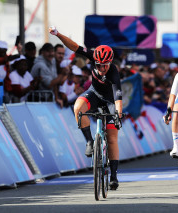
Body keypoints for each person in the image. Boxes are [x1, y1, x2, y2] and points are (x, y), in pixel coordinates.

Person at [49, 26, 123, 190]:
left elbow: (118, 97)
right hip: (94, 93)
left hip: (110, 101)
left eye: (105, 65)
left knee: (111, 138)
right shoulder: (91, 54)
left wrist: (118, 114)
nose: (102, 68)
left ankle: (114, 175)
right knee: (78, 107)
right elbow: (74, 46)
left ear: (110, 63)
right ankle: (90, 140)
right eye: (99, 65)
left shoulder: (114, 73)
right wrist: (58, 34)